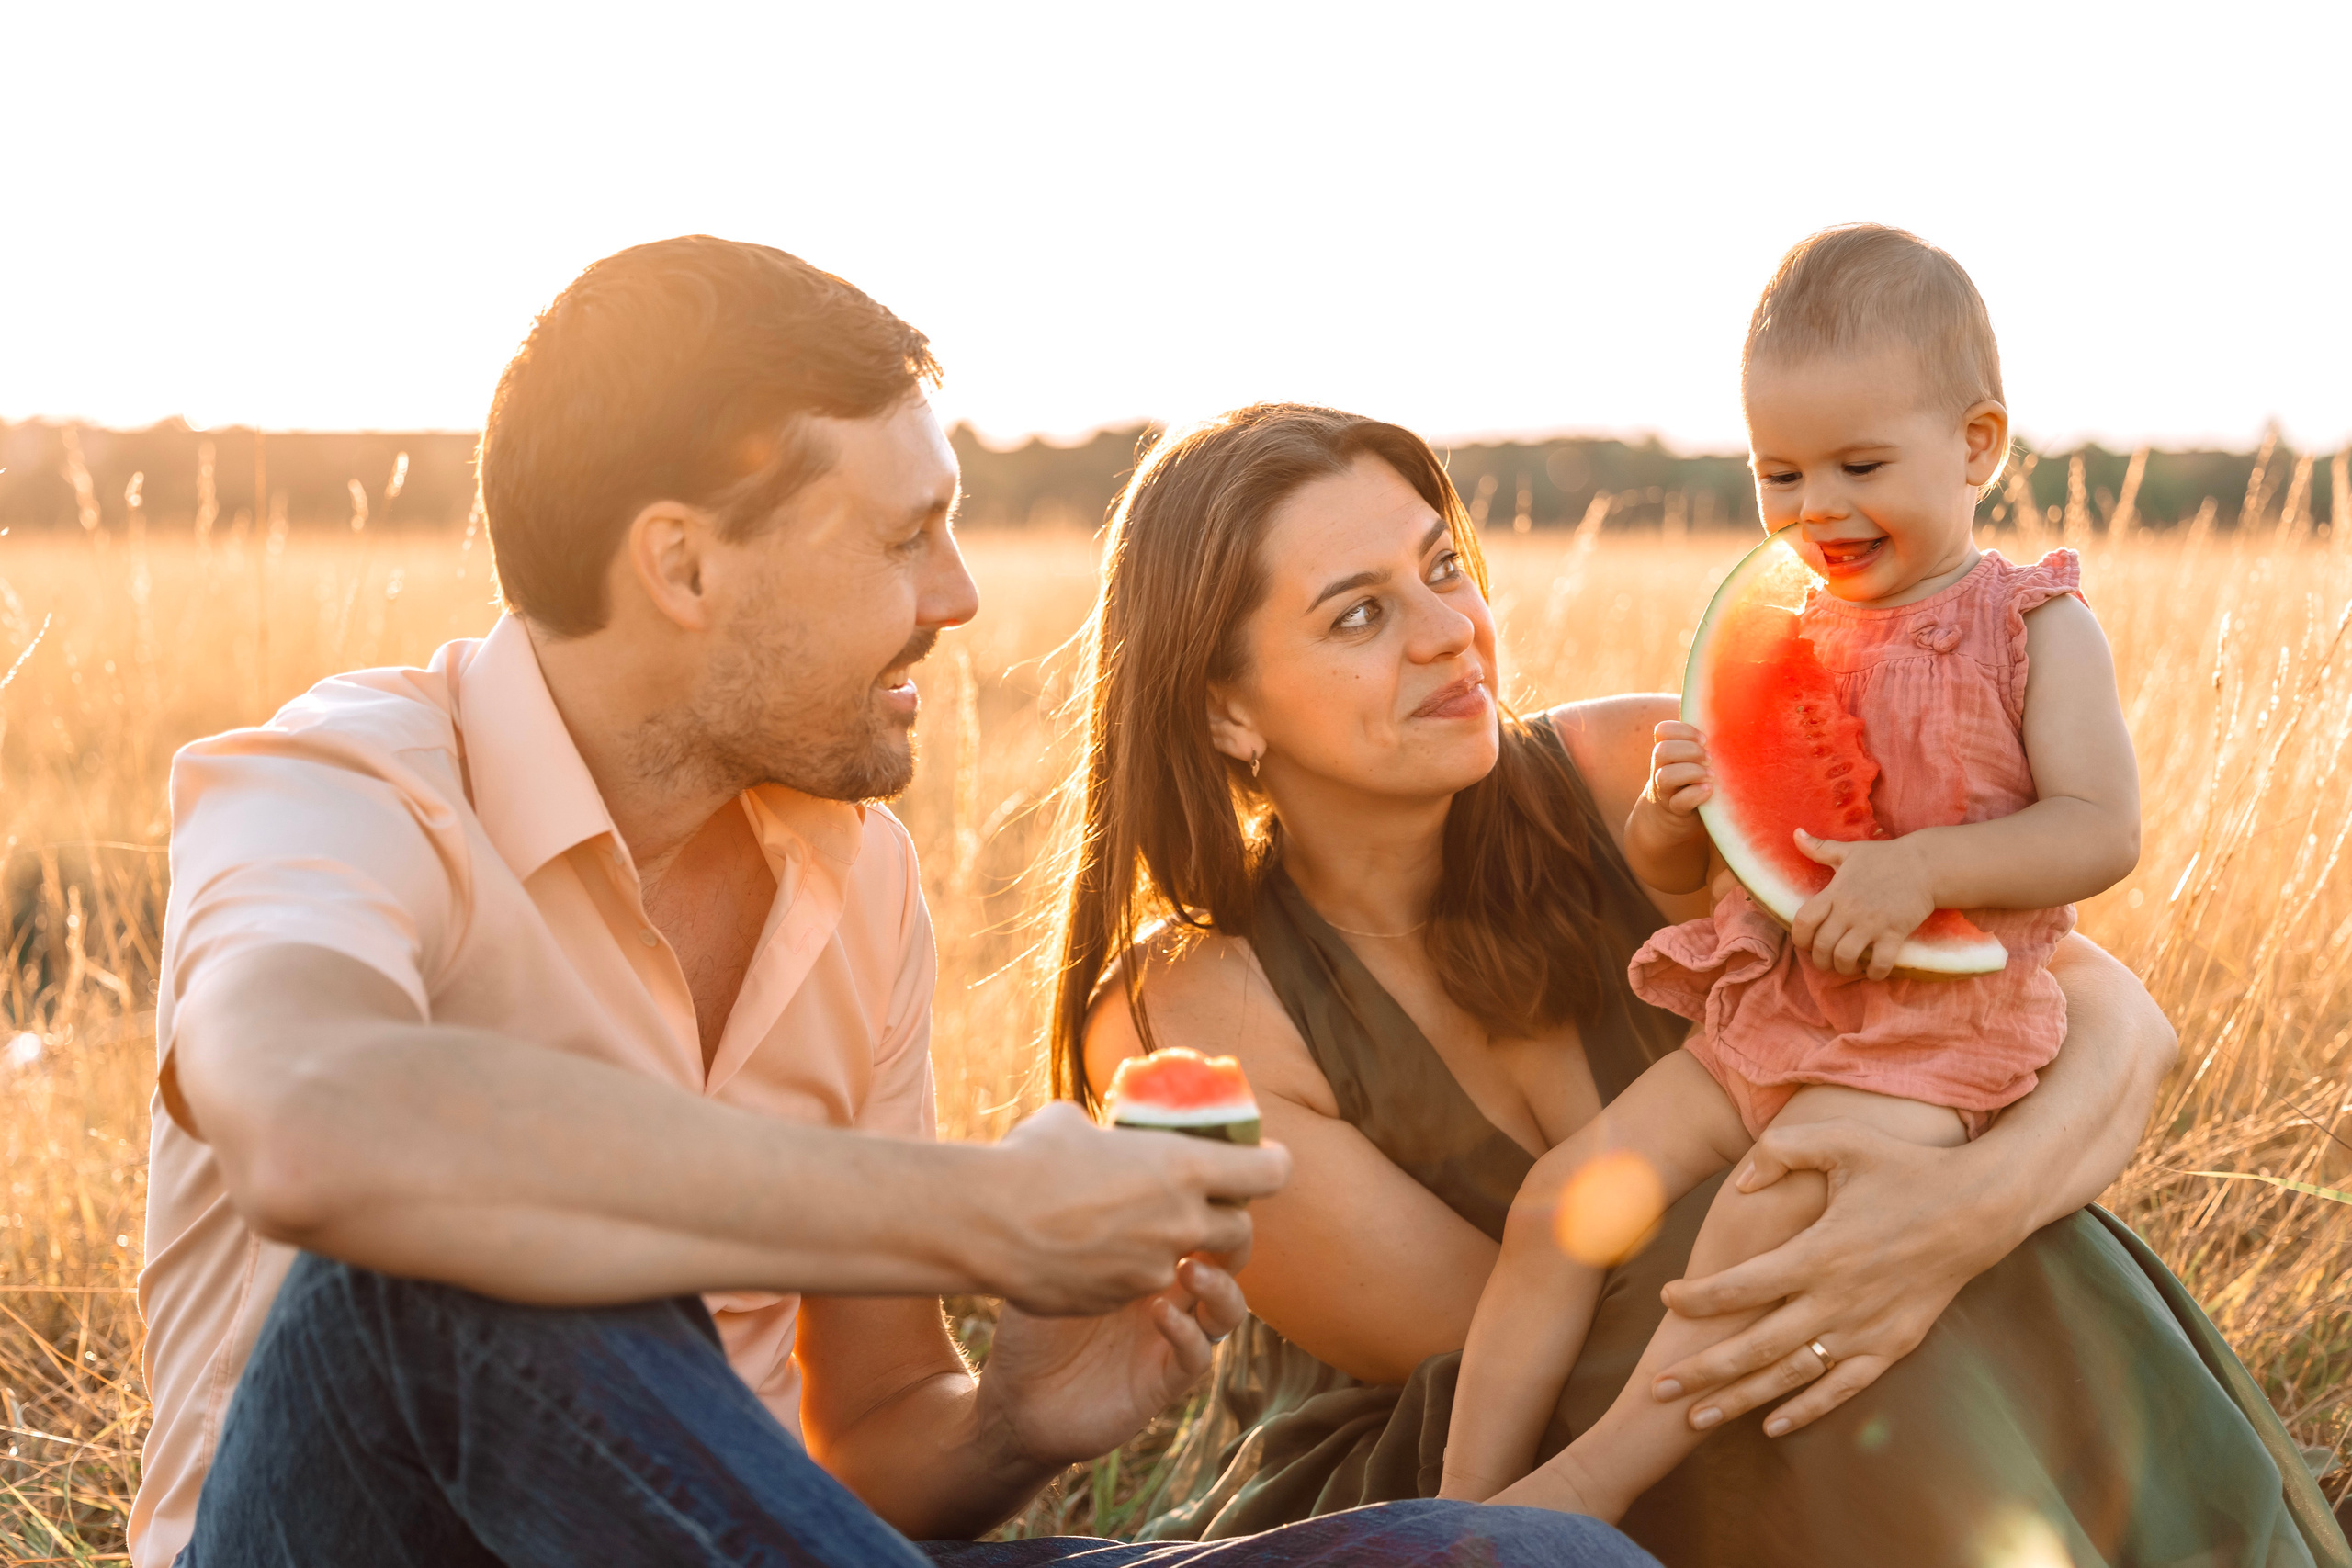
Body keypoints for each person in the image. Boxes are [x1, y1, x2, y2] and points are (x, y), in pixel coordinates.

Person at [133, 237, 1656, 1568]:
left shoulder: (853, 879)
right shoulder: (338, 788)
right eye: (902, 535)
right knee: (446, 1248)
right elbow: (317, 1118)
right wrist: (985, 1218)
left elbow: (854, 1445)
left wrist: (1013, 1421)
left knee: (1536, 1558)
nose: (958, 595)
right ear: (683, 568)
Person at [1050, 400, 2351, 1566]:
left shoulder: (1642, 771)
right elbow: (1508, 1333)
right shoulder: (1183, 1021)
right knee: (1831, 1251)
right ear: (1224, 710)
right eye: (1359, 614)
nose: (1453, 634)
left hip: (1813, 1358)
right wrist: (1882, 1238)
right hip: (1484, 1467)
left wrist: (1962, 1213)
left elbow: (2110, 1017)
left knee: (1946, 1225)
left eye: (1444, 568)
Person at [1442, 225, 2143, 1517]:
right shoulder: (1780, 630)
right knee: (1559, 1204)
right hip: (1770, 1014)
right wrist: (1671, 814)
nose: (1817, 505)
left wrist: (1923, 869)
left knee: (1762, 1209)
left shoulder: (2034, 626)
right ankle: (1448, 1517)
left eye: (1859, 465)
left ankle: (1576, 1499)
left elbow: (2102, 830)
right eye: (1780, 472)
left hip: (1937, 1037)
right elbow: (1700, 872)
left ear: (1976, 445)